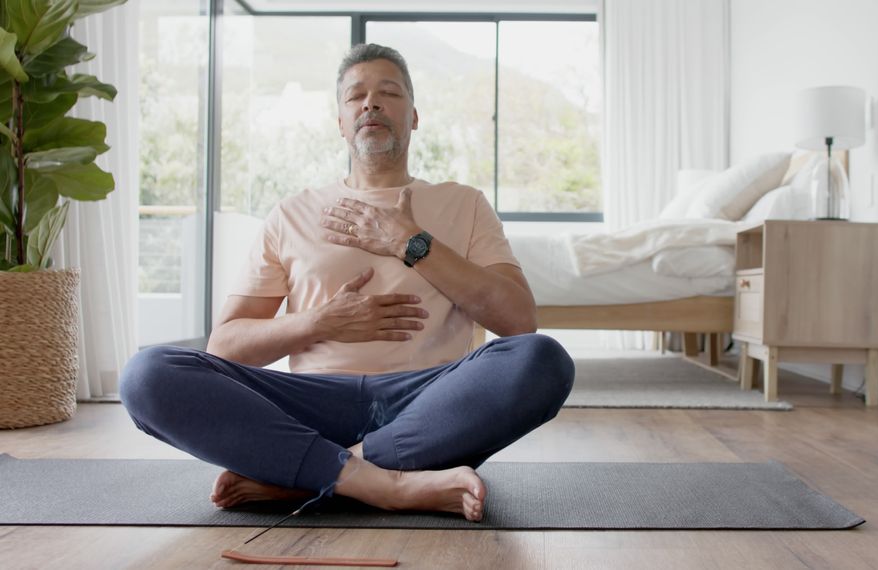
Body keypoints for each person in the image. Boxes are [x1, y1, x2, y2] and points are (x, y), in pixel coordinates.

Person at [119, 44, 575, 523]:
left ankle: (304, 476)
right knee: (147, 374)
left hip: (426, 406)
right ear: (340, 122)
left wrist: (410, 242)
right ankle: (385, 483)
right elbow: (226, 346)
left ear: (414, 116)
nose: (371, 103)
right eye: (356, 95)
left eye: (389, 93)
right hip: (308, 406)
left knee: (543, 361)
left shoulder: (465, 204)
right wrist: (319, 323)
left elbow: (519, 322)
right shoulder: (291, 213)